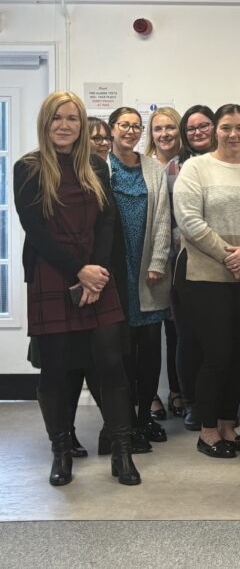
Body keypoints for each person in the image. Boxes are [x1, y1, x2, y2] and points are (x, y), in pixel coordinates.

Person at [14, 91, 141, 485]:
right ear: (45, 122)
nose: (64, 125)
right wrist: (78, 272)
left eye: (72, 118)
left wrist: (96, 271)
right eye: (57, 118)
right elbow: (34, 230)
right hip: (52, 272)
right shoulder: (28, 168)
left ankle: (122, 452)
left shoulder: (96, 166)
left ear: (81, 124)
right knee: (55, 368)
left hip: (96, 273)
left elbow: (106, 222)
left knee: (111, 364)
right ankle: (62, 451)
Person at [173, 103, 240, 459]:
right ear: (215, 131)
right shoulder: (195, 168)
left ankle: (228, 426)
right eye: (226, 127)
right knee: (216, 353)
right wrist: (230, 256)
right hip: (205, 277)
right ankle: (207, 431)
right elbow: (189, 221)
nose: (233, 134)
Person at [106, 106, 173, 449]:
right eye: (124, 125)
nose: (130, 131)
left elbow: (163, 218)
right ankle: (125, 420)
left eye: (136, 126)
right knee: (121, 351)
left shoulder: (153, 168)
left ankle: (145, 415)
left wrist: (158, 260)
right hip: (115, 271)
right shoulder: (101, 167)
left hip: (148, 270)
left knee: (149, 349)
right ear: (112, 129)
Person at [171, 104, 216, 431]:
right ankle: (192, 403)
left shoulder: (234, 163)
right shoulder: (175, 167)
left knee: (221, 340)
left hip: (228, 262)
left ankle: (218, 404)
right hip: (187, 261)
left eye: (204, 126)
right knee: (190, 337)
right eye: (191, 128)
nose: (198, 132)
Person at [143, 106, 186, 420]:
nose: (164, 134)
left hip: (182, 256)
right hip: (149, 256)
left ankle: (177, 391)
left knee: (176, 330)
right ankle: (149, 396)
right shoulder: (142, 165)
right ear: (151, 134)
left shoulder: (188, 164)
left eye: (170, 127)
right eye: (158, 129)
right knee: (147, 332)